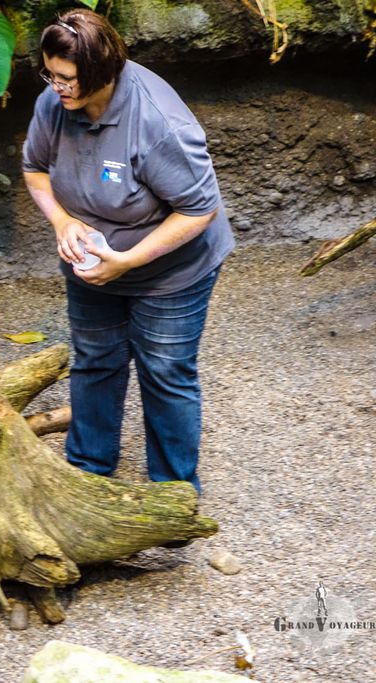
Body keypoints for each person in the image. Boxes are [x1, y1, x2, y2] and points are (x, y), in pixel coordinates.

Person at [21, 8, 234, 493]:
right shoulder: (54, 104)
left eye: (67, 78)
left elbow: (198, 210)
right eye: (50, 74)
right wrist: (62, 220)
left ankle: (174, 491)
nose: (56, 87)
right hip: (93, 263)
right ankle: (89, 471)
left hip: (172, 270)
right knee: (96, 358)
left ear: (101, 74)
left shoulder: (159, 125)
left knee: (165, 370)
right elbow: (34, 168)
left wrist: (130, 261)